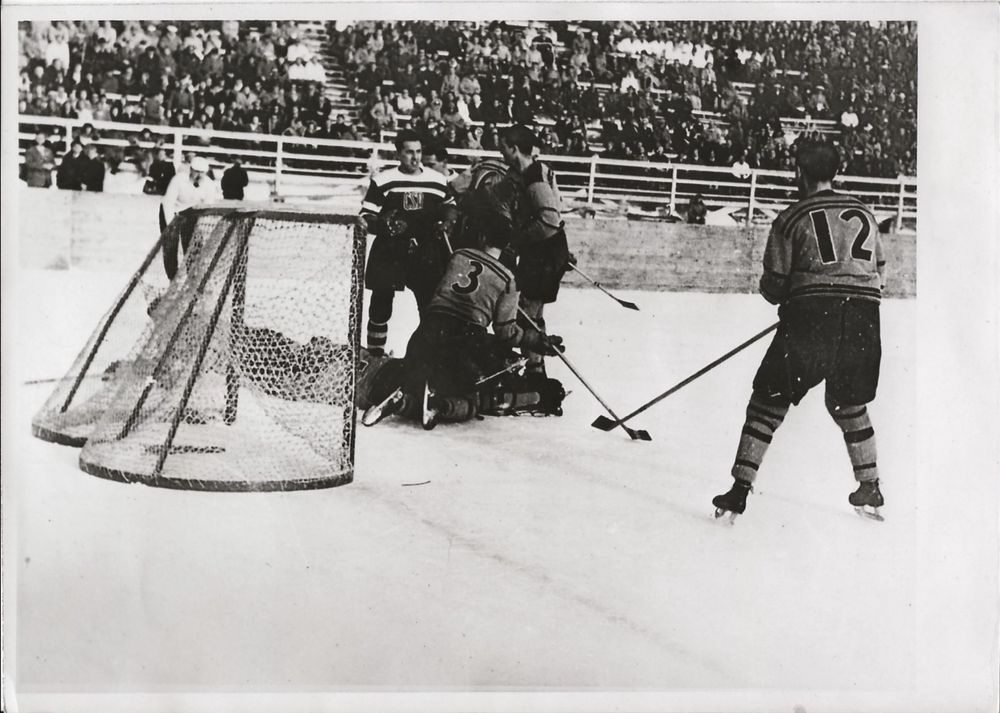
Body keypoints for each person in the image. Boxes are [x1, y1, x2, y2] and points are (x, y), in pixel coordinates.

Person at [712, 140, 887, 521]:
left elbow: (774, 286)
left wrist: (796, 299)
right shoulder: (865, 213)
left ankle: (739, 489)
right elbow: (881, 273)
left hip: (813, 318)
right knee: (848, 403)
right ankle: (870, 484)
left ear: (799, 172)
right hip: (864, 318)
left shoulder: (790, 218)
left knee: (767, 402)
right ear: (835, 171)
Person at [361, 225, 566, 430]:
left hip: (428, 330)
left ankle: (404, 397)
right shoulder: (509, 280)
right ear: (507, 245)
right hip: (466, 340)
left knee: (416, 371)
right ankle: (439, 406)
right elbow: (506, 333)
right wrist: (536, 340)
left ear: (481, 236)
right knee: (471, 397)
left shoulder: (458, 255)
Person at [356, 129, 457, 356]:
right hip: (391, 249)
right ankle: (375, 355)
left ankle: (429, 357)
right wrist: (383, 225)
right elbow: (366, 215)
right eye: (409, 152)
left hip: (425, 249)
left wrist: (448, 222)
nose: (415, 157)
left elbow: (451, 205)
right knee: (381, 304)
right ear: (398, 154)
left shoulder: (436, 180)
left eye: (418, 152)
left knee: (430, 306)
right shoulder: (383, 180)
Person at [491, 124, 571, 384]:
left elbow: (549, 221)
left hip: (544, 252)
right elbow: (498, 193)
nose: (500, 153)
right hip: (545, 250)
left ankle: (536, 374)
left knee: (526, 312)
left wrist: (515, 240)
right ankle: (535, 369)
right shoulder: (524, 172)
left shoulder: (534, 176)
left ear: (514, 148)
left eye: (503, 148)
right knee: (531, 312)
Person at [160, 155, 219, 278]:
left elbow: (207, 208)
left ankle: (192, 278)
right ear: (190, 170)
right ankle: (173, 279)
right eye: (196, 171)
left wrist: (200, 227)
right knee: (170, 246)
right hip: (173, 211)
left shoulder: (209, 185)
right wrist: (171, 226)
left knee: (194, 246)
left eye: (202, 172)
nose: (199, 175)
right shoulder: (178, 180)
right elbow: (168, 203)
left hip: (191, 214)